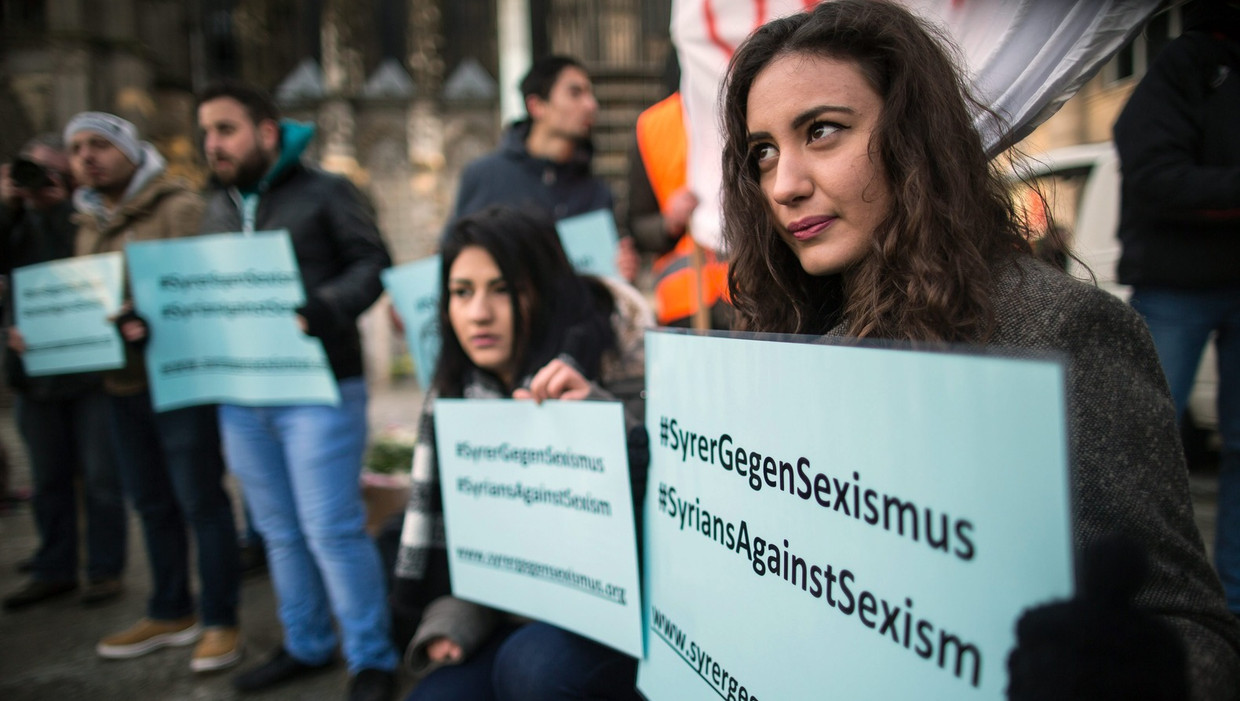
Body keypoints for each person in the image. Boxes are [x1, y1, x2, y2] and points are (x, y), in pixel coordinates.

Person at [719, 1, 1240, 697]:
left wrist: (1118, 675)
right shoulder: (790, 333)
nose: (784, 184)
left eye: (822, 131)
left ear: (915, 136)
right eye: (764, 153)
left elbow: (1194, 632)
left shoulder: (1061, 332)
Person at [391, 205, 651, 700]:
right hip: (508, 614)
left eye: (503, 289)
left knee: (532, 667)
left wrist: (598, 419)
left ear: (543, 291)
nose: (479, 313)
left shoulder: (615, 363)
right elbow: (475, 554)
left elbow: (665, 519)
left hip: (612, 621)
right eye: (462, 292)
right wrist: (455, 618)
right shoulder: (454, 394)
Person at [196, 81, 398, 701]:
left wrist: (326, 306)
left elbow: (374, 262)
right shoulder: (218, 205)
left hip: (320, 388)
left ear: (265, 131)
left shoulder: (327, 192)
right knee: (278, 530)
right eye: (206, 133)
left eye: (225, 130)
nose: (212, 145)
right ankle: (307, 643)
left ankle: (373, 658)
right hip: (243, 393)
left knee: (331, 526)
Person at [65, 112, 243, 673]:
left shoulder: (180, 208)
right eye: (76, 149)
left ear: (131, 151)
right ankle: (170, 609)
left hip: (179, 383)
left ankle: (220, 620)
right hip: (120, 386)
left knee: (201, 503)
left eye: (99, 145)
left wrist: (155, 318)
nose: (87, 157)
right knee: (150, 503)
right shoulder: (89, 221)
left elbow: (207, 292)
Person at [1112, 2, 1240, 622]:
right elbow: (1154, 170)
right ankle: (1125, 604)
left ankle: (1230, 610)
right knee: (1132, 443)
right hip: (1175, 281)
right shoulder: (1185, 65)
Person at [0, 134, 127, 610]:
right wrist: (11, 204)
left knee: (100, 477)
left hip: (90, 370)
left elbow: (85, 263)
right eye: (31, 171)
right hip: (34, 370)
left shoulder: (84, 217)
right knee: (47, 477)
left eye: (53, 172)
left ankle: (104, 569)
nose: (41, 181)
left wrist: (57, 207)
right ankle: (54, 566)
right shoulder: (14, 221)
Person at [448, 55, 638, 282]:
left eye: (591, 94)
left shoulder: (598, 192)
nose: (591, 105)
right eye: (575, 93)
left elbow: (605, 286)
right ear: (536, 106)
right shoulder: (484, 176)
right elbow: (450, 259)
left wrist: (622, 272)